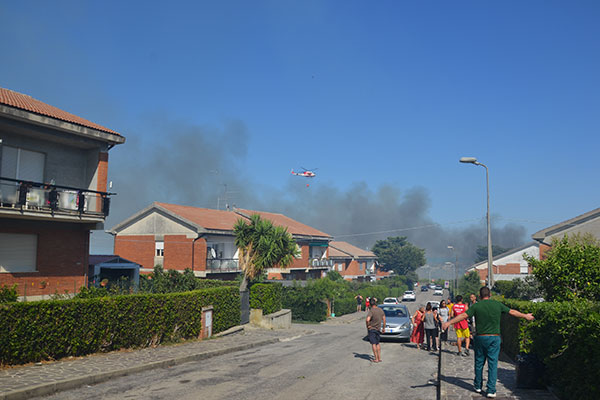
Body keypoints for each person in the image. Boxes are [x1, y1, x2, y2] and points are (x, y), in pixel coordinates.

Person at [442, 286, 534, 398]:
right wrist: (525, 316)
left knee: (479, 362)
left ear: (479, 296)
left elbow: (463, 315)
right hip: (494, 338)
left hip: (480, 338)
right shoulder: (497, 304)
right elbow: (512, 311)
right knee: (492, 364)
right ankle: (491, 390)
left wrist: (449, 323)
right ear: (490, 295)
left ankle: (478, 386)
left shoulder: (476, 306)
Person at [365, 297, 385, 363]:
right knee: (377, 343)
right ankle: (379, 358)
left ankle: (376, 358)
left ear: (370, 304)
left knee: (373, 343)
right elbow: (384, 320)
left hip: (372, 329)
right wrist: (384, 328)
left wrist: (368, 326)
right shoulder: (380, 310)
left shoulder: (371, 311)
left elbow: (367, 319)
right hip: (378, 329)